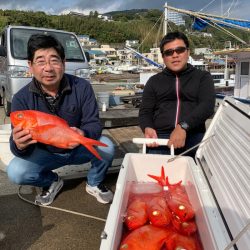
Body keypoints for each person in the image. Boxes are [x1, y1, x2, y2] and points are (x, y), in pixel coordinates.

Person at [7, 34, 115, 205]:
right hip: (47, 153)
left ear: (63, 63)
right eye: (40, 61)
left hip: (78, 146)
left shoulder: (82, 87)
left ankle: (94, 182)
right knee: (16, 171)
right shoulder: (21, 99)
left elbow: (93, 123)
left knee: (107, 147)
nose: (48, 68)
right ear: (30, 66)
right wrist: (19, 145)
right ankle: (51, 181)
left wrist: (83, 133)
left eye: (54, 60)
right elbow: (15, 143)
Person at [139, 31, 215, 158]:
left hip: (192, 135)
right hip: (160, 137)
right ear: (163, 57)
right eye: (169, 52)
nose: (175, 55)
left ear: (188, 52)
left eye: (179, 50)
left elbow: (207, 106)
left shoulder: (202, 77)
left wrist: (183, 127)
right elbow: (145, 111)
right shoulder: (153, 81)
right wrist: (147, 127)